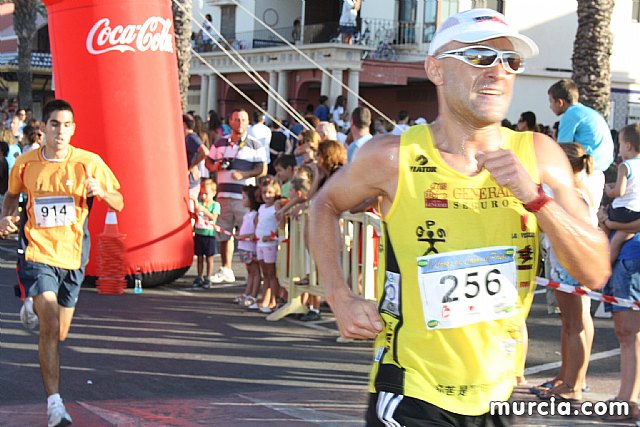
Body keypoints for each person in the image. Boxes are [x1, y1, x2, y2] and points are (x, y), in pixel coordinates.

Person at [307, 9, 610, 425]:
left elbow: (595, 270)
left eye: (510, 61)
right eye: (479, 57)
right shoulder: (392, 156)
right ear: (436, 69)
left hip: (498, 393)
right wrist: (338, 295)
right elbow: (323, 205)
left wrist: (535, 199)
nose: (497, 71)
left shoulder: (539, 155)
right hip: (412, 390)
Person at [0, 99, 124, 427]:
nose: (61, 131)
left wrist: (102, 191)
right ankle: (55, 405)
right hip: (37, 252)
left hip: (73, 255)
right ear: (44, 128)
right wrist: (5, 218)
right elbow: (11, 196)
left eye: (67, 125)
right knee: (51, 325)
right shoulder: (25, 163)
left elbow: (119, 201)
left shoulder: (88, 162)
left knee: (60, 332)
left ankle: (32, 304)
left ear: (73, 129)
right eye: (54, 124)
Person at [531, 143, 596, 402]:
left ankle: (573, 385)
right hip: (564, 265)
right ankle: (567, 379)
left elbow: (571, 232)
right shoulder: (573, 193)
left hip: (569, 267)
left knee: (575, 326)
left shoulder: (573, 197)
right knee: (570, 325)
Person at [205, 108, 267, 284]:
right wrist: (215, 167)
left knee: (247, 234)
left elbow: (262, 169)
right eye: (237, 120)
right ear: (230, 122)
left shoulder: (255, 144)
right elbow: (208, 161)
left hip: (243, 197)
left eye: (244, 120)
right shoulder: (220, 143)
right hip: (223, 194)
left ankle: (253, 272)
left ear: (248, 123)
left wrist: (244, 174)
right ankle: (226, 268)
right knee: (224, 233)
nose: (240, 123)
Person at [598, 212, 640, 421]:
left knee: (629, 335)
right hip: (624, 258)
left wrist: (610, 223)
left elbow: (632, 224)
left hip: (630, 259)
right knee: (626, 335)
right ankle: (626, 398)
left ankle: (628, 400)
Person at [548, 78, 614, 209]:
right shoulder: (588, 112)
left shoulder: (570, 115)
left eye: (550, 101)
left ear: (560, 102)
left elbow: (562, 150)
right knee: (590, 215)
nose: (550, 106)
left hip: (584, 173)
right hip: (598, 172)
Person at [604, 123, 640, 264]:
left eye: (620, 144)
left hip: (620, 212)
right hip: (636, 212)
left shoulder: (625, 165)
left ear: (628, 146)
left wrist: (609, 191)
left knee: (603, 217)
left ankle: (603, 263)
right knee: (619, 239)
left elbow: (619, 191)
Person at [255, 178, 282, 313]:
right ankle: (265, 299)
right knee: (265, 273)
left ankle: (273, 300)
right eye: (264, 192)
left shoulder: (275, 207)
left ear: (276, 193)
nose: (267, 195)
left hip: (270, 244)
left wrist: (272, 236)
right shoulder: (261, 208)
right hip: (260, 243)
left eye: (270, 192)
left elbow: (280, 225)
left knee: (272, 273)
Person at [234, 185, 261, 307]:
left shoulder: (255, 215)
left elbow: (256, 233)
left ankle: (253, 295)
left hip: (251, 248)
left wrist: (245, 236)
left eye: (245, 197)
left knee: (255, 272)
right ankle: (247, 293)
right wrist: (239, 234)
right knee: (250, 272)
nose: (242, 200)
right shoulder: (247, 214)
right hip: (244, 247)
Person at [191, 179, 220, 289]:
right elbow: (195, 215)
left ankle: (208, 277)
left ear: (213, 193)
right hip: (199, 233)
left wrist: (205, 210)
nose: (203, 196)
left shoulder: (215, 205)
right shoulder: (200, 204)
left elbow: (213, 217)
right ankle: (199, 276)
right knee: (199, 257)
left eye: (206, 194)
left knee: (209, 258)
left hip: (209, 235)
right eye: (202, 193)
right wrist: (195, 204)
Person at [183, 114, 208, 201]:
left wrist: (192, 166)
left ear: (184, 124)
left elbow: (205, 152)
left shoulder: (191, 137)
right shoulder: (187, 138)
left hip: (191, 182)